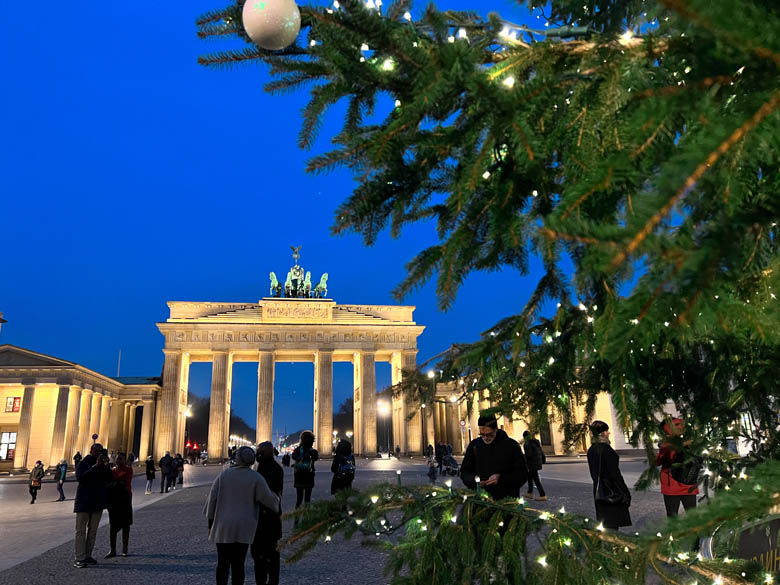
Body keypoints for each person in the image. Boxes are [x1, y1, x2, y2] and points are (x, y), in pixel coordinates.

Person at [205, 446, 280, 585]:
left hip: (223, 526)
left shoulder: (224, 475)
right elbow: (270, 501)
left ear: (237, 458)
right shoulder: (256, 478)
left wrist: (210, 523)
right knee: (238, 564)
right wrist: (277, 499)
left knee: (222, 563)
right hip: (244, 527)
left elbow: (212, 500)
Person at [460, 414, 528, 500]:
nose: (485, 438)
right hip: (480, 501)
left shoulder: (511, 446)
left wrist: (500, 478)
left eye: (489, 434)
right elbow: (464, 472)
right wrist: (474, 480)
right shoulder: (474, 445)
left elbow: (522, 475)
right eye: (482, 435)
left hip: (506, 501)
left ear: (496, 429)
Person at [587, 420, 631, 530]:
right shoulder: (606, 449)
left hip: (598, 489)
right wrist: (625, 491)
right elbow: (615, 474)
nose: (609, 433)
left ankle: (607, 544)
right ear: (602, 433)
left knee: (605, 522)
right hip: (611, 489)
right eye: (606, 431)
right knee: (612, 523)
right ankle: (612, 545)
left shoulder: (591, 449)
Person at [73, 443, 112, 568]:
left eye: (100, 451)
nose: (98, 453)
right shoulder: (84, 463)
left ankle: (88, 555)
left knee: (93, 531)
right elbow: (81, 478)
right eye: (95, 450)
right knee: (80, 531)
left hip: (97, 502)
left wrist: (106, 466)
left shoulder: (103, 466)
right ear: (91, 451)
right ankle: (80, 557)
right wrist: (95, 466)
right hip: (83, 502)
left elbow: (110, 479)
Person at [253, 442, 284, 585]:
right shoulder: (276, 468)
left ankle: (262, 580)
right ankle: (273, 580)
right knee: (273, 553)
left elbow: (264, 495)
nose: (257, 454)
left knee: (260, 553)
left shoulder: (262, 470)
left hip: (264, 519)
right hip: (273, 518)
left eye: (260, 452)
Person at [656, 418, 699, 517]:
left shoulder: (667, 444)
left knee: (676, 517)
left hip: (682, 484)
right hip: (677, 484)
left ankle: (683, 532)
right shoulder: (669, 444)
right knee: (690, 516)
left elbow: (658, 461)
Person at [105, 452, 133, 558]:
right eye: (117, 459)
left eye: (120, 459)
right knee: (113, 526)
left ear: (125, 460)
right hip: (114, 500)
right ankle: (112, 550)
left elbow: (124, 482)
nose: (118, 460)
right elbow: (110, 483)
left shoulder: (128, 470)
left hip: (125, 499)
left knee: (126, 525)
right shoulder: (113, 471)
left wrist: (114, 483)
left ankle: (124, 549)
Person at [291, 431, 318, 508]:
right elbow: (315, 458)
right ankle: (307, 516)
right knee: (307, 499)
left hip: (299, 476)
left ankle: (296, 517)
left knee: (299, 499)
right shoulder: (313, 452)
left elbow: (293, 457)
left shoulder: (298, 450)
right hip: (309, 476)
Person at [522, 430, 547, 501]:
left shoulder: (527, 443)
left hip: (532, 463)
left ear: (525, 437)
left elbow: (528, 455)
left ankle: (543, 495)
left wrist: (523, 457)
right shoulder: (536, 442)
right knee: (529, 477)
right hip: (537, 462)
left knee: (536, 480)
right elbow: (541, 452)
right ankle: (529, 493)